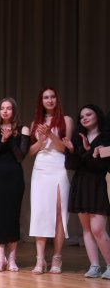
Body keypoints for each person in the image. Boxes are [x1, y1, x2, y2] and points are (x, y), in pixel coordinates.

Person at [28, 87, 73, 274]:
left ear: (57, 99)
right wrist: (40, 140)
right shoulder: (35, 123)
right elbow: (30, 152)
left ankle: (56, 257)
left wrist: (50, 134)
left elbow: (64, 148)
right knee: (40, 212)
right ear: (41, 101)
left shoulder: (66, 120)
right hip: (40, 168)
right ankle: (40, 260)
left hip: (58, 166)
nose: (50, 100)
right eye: (46, 97)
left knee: (59, 212)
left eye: (52, 96)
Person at [64, 104, 110, 278]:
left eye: (88, 114)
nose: (84, 118)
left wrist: (88, 149)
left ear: (97, 115)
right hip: (81, 184)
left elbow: (101, 166)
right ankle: (94, 266)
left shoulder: (106, 138)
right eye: (82, 116)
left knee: (98, 229)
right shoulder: (78, 137)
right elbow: (71, 165)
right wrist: (72, 150)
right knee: (87, 229)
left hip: (97, 183)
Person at [0, 98, 30, 272]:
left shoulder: (23, 130)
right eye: (2, 108)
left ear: (14, 111)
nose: (5, 111)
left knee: (12, 216)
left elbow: (20, 157)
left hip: (14, 177)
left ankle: (12, 259)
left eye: (8, 108)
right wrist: (2, 140)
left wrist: (10, 139)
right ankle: (0, 259)